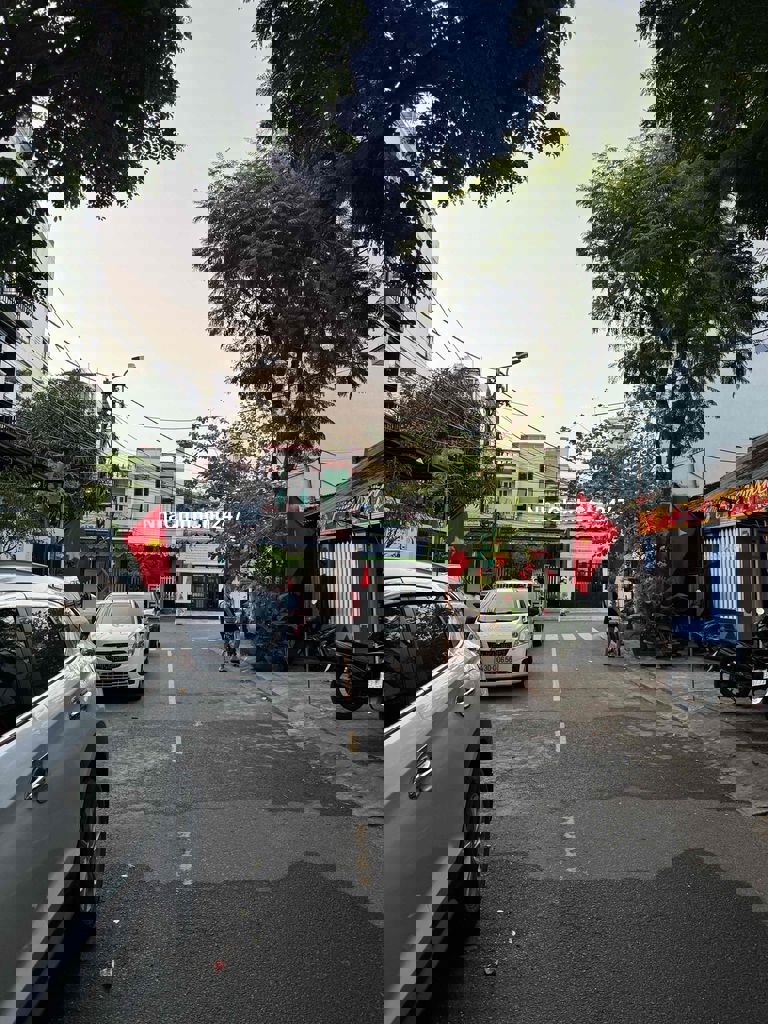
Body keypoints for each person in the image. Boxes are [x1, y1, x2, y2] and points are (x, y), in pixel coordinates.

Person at [219, 598, 240, 671]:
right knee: (226, 646)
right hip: (229, 627)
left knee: (231, 644)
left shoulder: (228, 603)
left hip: (229, 627)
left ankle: (233, 657)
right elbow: (230, 617)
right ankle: (222, 666)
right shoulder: (224, 604)